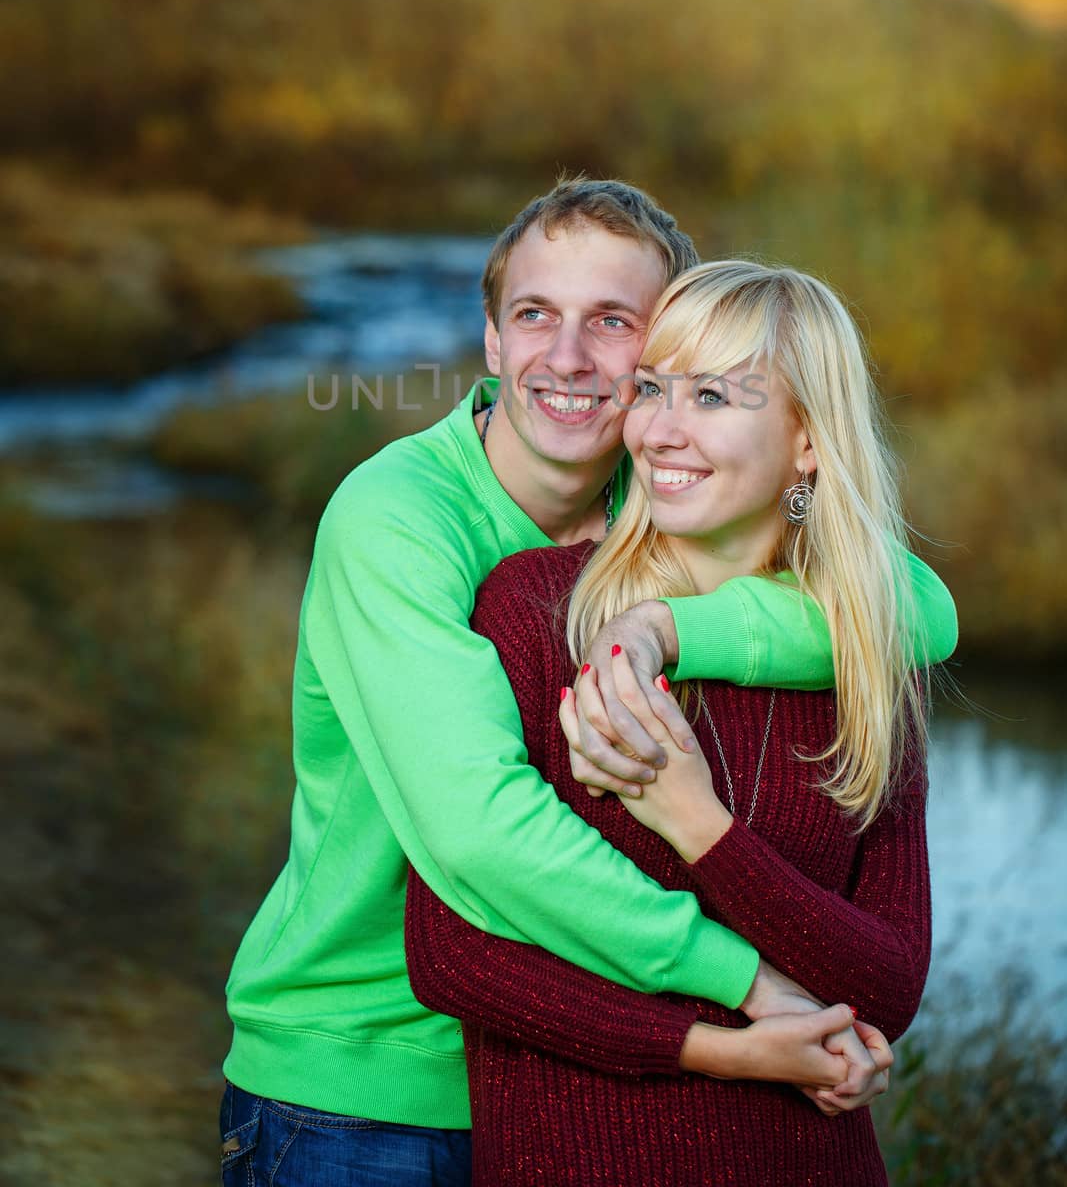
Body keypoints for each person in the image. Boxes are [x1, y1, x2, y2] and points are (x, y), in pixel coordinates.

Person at [220, 182, 956, 1185]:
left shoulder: (654, 500)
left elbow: (916, 607)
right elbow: (483, 832)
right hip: (362, 1082)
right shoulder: (397, 520)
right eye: (534, 316)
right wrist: (743, 982)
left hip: (558, 1084)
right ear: (489, 341)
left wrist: (664, 626)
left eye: (611, 324)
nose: (566, 359)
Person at [405, 258, 935, 1186]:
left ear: (806, 441)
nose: (659, 428)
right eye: (651, 388)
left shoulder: (865, 654)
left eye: (713, 396)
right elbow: (453, 957)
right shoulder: (536, 612)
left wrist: (697, 824)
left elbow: (887, 987)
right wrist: (721, 1044)